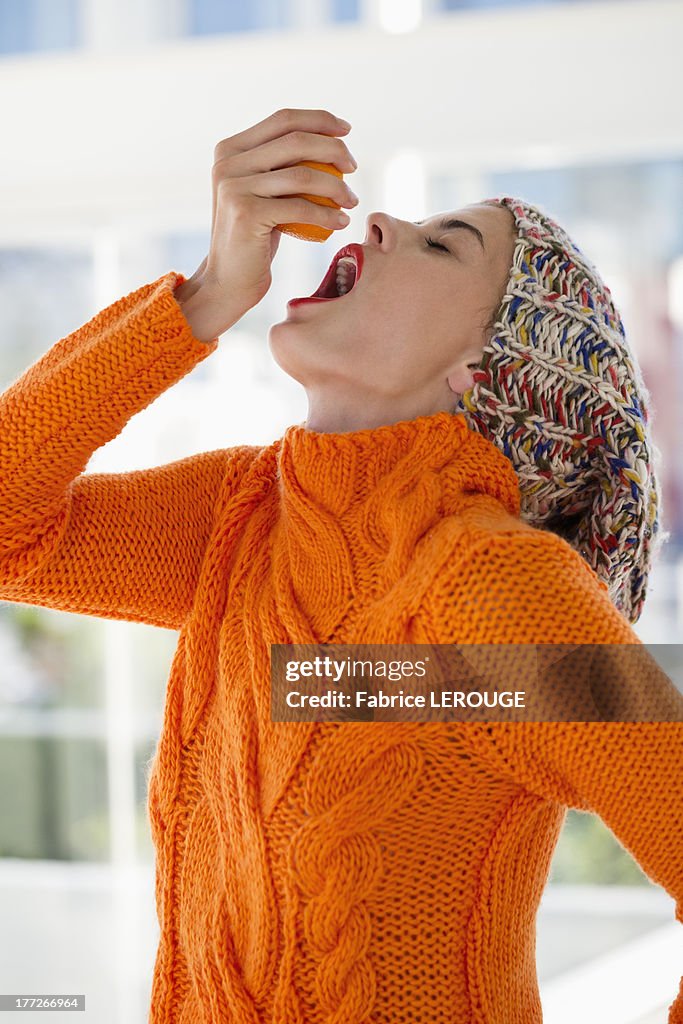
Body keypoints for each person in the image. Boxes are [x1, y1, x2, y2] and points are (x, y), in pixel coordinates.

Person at [0, 107, 681, 1024]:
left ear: (483, 370)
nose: (382, 224)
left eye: (446, 246)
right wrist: (202, 298)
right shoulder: (239, 521)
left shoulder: (494, 589)